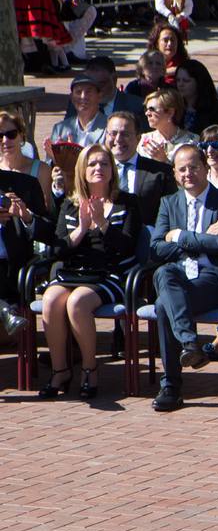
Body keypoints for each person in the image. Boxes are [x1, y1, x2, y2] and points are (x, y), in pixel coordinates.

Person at [150, 143, 218, 411]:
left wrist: (181, 235)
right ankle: (189, 344)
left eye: (194, 167)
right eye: (182, 169)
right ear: (174, 174)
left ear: (206, 168)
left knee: (163, 305)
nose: (188, 173)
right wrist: (204, 236)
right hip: (179, 275)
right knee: (164, 272)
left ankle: (171, 385)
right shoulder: (168, 203)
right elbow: (157, 247)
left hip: (213, 280)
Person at [35, 145, 141, 398]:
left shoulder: (127, 202)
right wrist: (81, 229)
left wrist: (103, 223)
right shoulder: (70, 204)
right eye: (92, 164)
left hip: (110, 274)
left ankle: (89, 369)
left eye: (104, 164)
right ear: (82, 170)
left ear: (112, 170)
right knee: (50, 299)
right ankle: (61, 370)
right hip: (74, 272)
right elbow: (59, 249)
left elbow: (127, 246)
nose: (98, 169)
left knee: (77, 302)